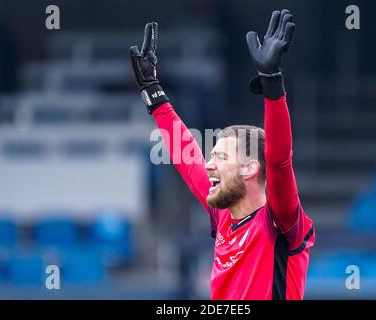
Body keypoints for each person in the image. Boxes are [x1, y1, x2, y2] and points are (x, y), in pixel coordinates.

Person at [129, 9, 315, 300]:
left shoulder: (278, 221)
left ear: (250, 168)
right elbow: (187, 157)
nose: (210, 165)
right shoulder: (223, 213)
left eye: (221, 158)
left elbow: (279, 160)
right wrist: (153, 92)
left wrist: (272, 82)